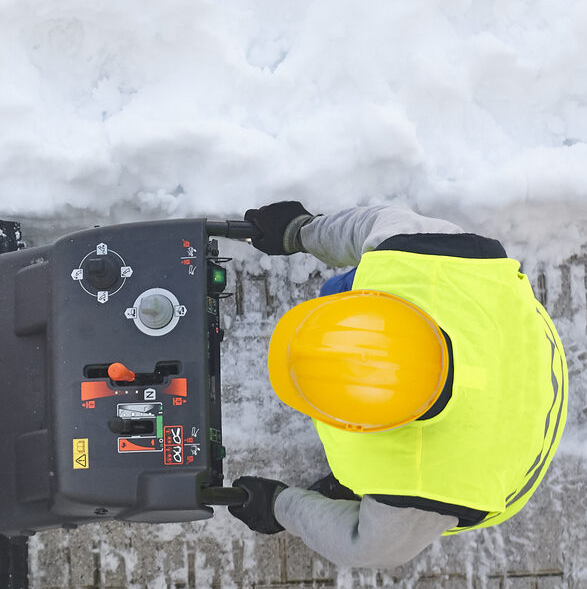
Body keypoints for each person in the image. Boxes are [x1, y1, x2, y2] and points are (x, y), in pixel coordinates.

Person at [225, 201, 568, 570]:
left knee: (387, 498)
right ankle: (365, 483)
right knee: (352, 284)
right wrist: (299, 231)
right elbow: (366, 225)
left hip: (514, 460)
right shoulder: (425, 254)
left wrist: (281, 506)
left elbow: (364, 549)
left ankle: (362, 492)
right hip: (522, 348)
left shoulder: (424, 492)